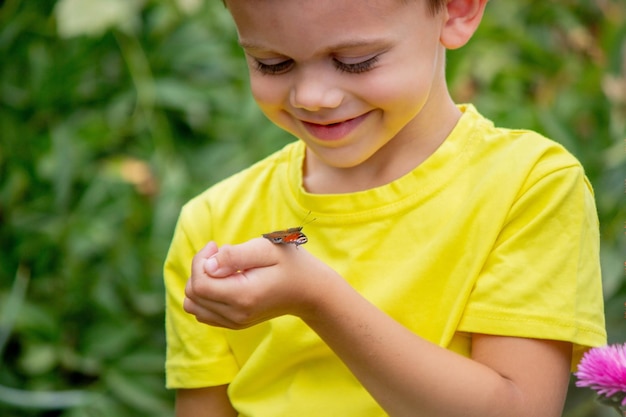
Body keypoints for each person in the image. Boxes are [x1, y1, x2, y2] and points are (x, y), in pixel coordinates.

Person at [164, 0, 607, 416]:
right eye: (272, 63)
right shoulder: (212, 222)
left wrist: (320, 300)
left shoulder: (528, 186)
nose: (313, 96)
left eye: (356, 60)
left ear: (457, 10)